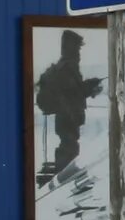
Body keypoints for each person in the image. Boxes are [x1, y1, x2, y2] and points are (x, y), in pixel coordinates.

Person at [34, 30, 102, 179]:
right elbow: (73, 93)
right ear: (72, 47)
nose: (79, 51)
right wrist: (90, 87)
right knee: (69, 147)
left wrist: (90, 85)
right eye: (78, 47)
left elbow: (73, 91)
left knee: (69, 145)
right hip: (67, 115)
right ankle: (65, 178)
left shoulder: (65, 66)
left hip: (66, 115)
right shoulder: (67, 67)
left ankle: (65, 175)